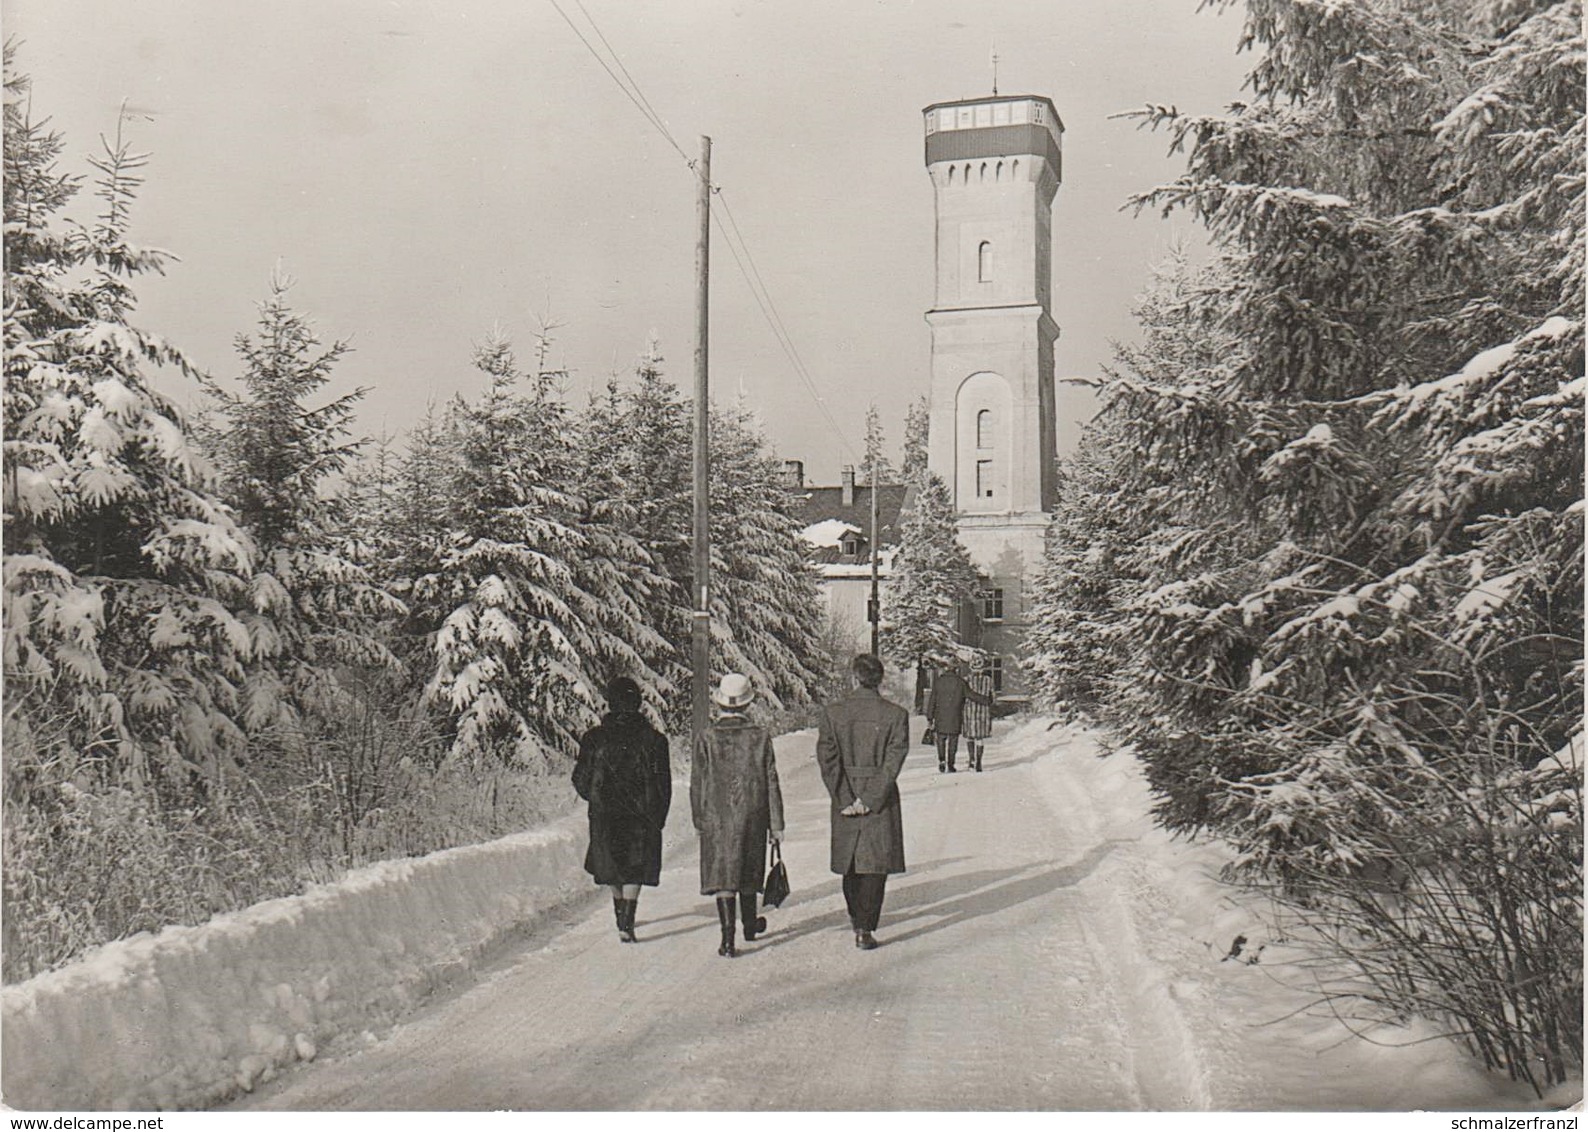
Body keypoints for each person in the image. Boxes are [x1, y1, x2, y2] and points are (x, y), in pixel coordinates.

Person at [815, 653, 910, 950]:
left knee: (850, 860)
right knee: (875, 863)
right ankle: (865, 928)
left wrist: (844, 797)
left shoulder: (833, 713)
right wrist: (871, 797)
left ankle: (857, 918)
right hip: (880, 796)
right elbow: (893, 761)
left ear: (854, 678)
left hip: (845, 790)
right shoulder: (896, 715)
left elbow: (828, 759)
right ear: (879, 680)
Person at [691, 673, 785, 958]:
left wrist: (699, 818)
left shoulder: (706, 737)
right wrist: (776, 824)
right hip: (752, 814)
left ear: (720, 703)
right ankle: (750, 926)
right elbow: (771, 781)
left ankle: (727, 940)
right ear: (747, 704)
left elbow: (698, 782)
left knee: (723, 874)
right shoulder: (760, 737)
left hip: (716, 816)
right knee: (748, 871)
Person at [571, 676, 672, 943]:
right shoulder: (655, 740)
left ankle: (620, 915)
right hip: (641, 815)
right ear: (638, 703)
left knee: (611, 866)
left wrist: (595, 796)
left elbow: (580, 779)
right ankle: (627, 919)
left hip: (605, 814)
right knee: (634, 868)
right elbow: (663, 784)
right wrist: (659, 816)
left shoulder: (594, 738)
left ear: (610, 702)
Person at [924, 658, 992, 773]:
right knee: (953, 741)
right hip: (955, 716)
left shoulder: (938, 681)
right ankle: (951, 765)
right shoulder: (960, 682)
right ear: (956, 669)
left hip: (940, 716)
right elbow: (971, 695)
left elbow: (932, 700)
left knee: (941, 739)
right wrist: (986, 700)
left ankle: (942, 760)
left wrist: (930, 717)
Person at [963, 656, 996, 773]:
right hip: (983, 711)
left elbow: (963, 695)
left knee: (970, 737)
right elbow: (993, 697)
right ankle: (979, 762)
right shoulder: (989, 680)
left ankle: (971, 760)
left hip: (969, 710)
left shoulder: (966, 680)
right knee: (980, 737)